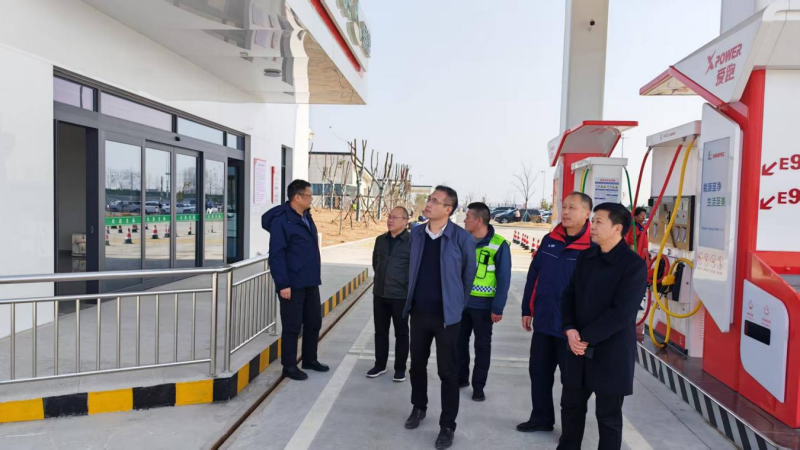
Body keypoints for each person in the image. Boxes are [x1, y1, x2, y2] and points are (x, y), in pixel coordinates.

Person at [557, 203, 647, 450]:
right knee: (571, 407)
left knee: (608, 418)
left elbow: (622, 313)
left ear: (617, 228)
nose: (592, 226)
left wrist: (584, 337)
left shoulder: (633, 265)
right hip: (578, 349)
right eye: (592, 221)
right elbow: (569, 295)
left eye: (598, 221)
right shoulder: (586, 257)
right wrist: (569, 328)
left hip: (611, 353)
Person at [403, 186, 477, 450]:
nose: (428, 203)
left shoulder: (462, 238)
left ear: (448, 209)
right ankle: (419, 407)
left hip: (447, 318)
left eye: (435, 201)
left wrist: (456, 306)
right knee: (417, 365)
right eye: (429, 199)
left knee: (448, 372)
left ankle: (447, 426)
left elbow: (468, 277)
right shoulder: (416, 234)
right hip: (419, 313)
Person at [517, 192, 593, 433]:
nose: (566, 212)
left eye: (572, 208)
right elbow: (534, 274)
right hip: (544, 320)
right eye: (564, 206)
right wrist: (527, 308)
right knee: (539, 373)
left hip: (573, 329)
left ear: (587, 213)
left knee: (572, 382)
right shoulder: (550, 239)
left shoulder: (593, 247)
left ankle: (571, 432)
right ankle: (541, 418)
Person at [261, 179, 329, 381]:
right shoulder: (282, 221)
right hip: (292, 284)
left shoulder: (306, 216)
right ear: (297, 197)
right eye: (309, 195)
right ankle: (289, 366)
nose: (311, 199)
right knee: (292, 326)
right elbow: (277, 255)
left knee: (314, 322)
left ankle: (309, 359)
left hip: (310, 280)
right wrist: (283, 284)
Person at [457, 202, 511, 402]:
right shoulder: (462, 240)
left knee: (482, 347)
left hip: (484, 307)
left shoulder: (499, 244)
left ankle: (478, 386)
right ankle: (461, 378)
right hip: (461, 304)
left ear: (478, 221)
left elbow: (504, 278)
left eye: (467, 217)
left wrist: (498, 307)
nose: (464, 220)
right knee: (458, 344)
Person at [368, 206, 412, 381]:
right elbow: (376, 263)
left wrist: (404, 284)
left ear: (405, 221)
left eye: (395, 217)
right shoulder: (380, 240)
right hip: (380, 294)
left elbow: (415, 268)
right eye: (389, 217)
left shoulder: (412, 242)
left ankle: (400, 368)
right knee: (380, 331)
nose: (390, 220)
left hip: (400, 295)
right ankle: (380, 365)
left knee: (401, 333)